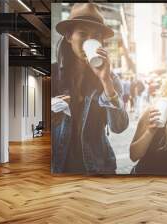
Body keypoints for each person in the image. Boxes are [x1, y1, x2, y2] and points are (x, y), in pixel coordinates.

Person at [51, 3, 129, 174]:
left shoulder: (110, 78)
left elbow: (119, 127)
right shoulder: (52, 75)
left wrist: (105, 81)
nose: (89, 40)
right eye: (83, 34)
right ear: (69, 36)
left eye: (95, 36)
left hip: (98, 167)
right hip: (60, 167)